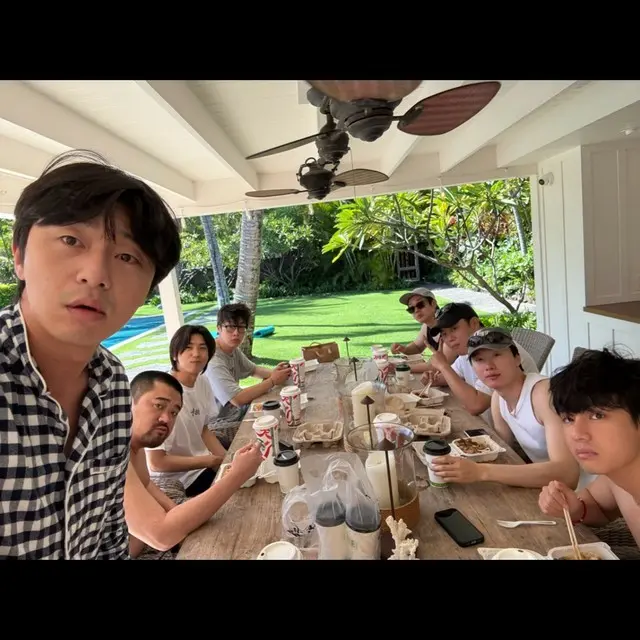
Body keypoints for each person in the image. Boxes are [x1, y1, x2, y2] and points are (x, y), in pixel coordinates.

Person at [0, 150, 181, 559]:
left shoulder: (113, 384)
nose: (96, 275)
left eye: (127, 257)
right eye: (71, 240)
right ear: (19, 255)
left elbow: (109, 534)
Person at [125, 370, 262, 559]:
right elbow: (162, 535)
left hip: (150, 541)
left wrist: (175, 510)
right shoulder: (112, 455)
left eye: (174, 412)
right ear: (129, 403)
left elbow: (147, 485)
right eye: (158, 405)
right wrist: (237, 475)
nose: (166, 419)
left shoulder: (136, 446)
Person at [430, 327, 580, 489]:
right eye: (479, 359)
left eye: (497, 355)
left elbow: (568, 474)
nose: (489, 366)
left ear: (517, 358)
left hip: (583, 494)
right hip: (545, 488)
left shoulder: (543, 394)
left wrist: (481, 471)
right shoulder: (498, 398)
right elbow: (501, 452)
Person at [538, 349, 640, 549]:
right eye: (569, 419)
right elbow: (597, 505)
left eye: (597, 415)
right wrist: (576, 509)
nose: (577, 434)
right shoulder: (617, 477)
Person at [147, 324, 227, 497]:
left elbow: (203, 430)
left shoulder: (202, 381)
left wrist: (227, 461)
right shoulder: (162, 395)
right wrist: (209, 461)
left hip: (203, 465)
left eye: (202, 348)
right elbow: (156, 462)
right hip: (179, 479)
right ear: (175, 354)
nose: (196, 354)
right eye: (188, 348)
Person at [420, 303, 538, 417]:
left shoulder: (498, 350)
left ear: (474, 323)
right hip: (491, 423)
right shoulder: (470, 348)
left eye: (454, 328)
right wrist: (432, 379)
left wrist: (443, 366)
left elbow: (475, 405)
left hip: (509, 427)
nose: (450, 338)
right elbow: (449, 377)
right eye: (444, 334)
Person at [204, 302, 291, 413]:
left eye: (241, 327)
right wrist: (272, 381)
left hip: (235, 411)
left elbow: (254, 370)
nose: (236, 333)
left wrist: (281, 373)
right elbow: (237, 399)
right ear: (219, 328)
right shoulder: (213, 361)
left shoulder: (233, 349)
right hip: (222, 419)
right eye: (230, 327)